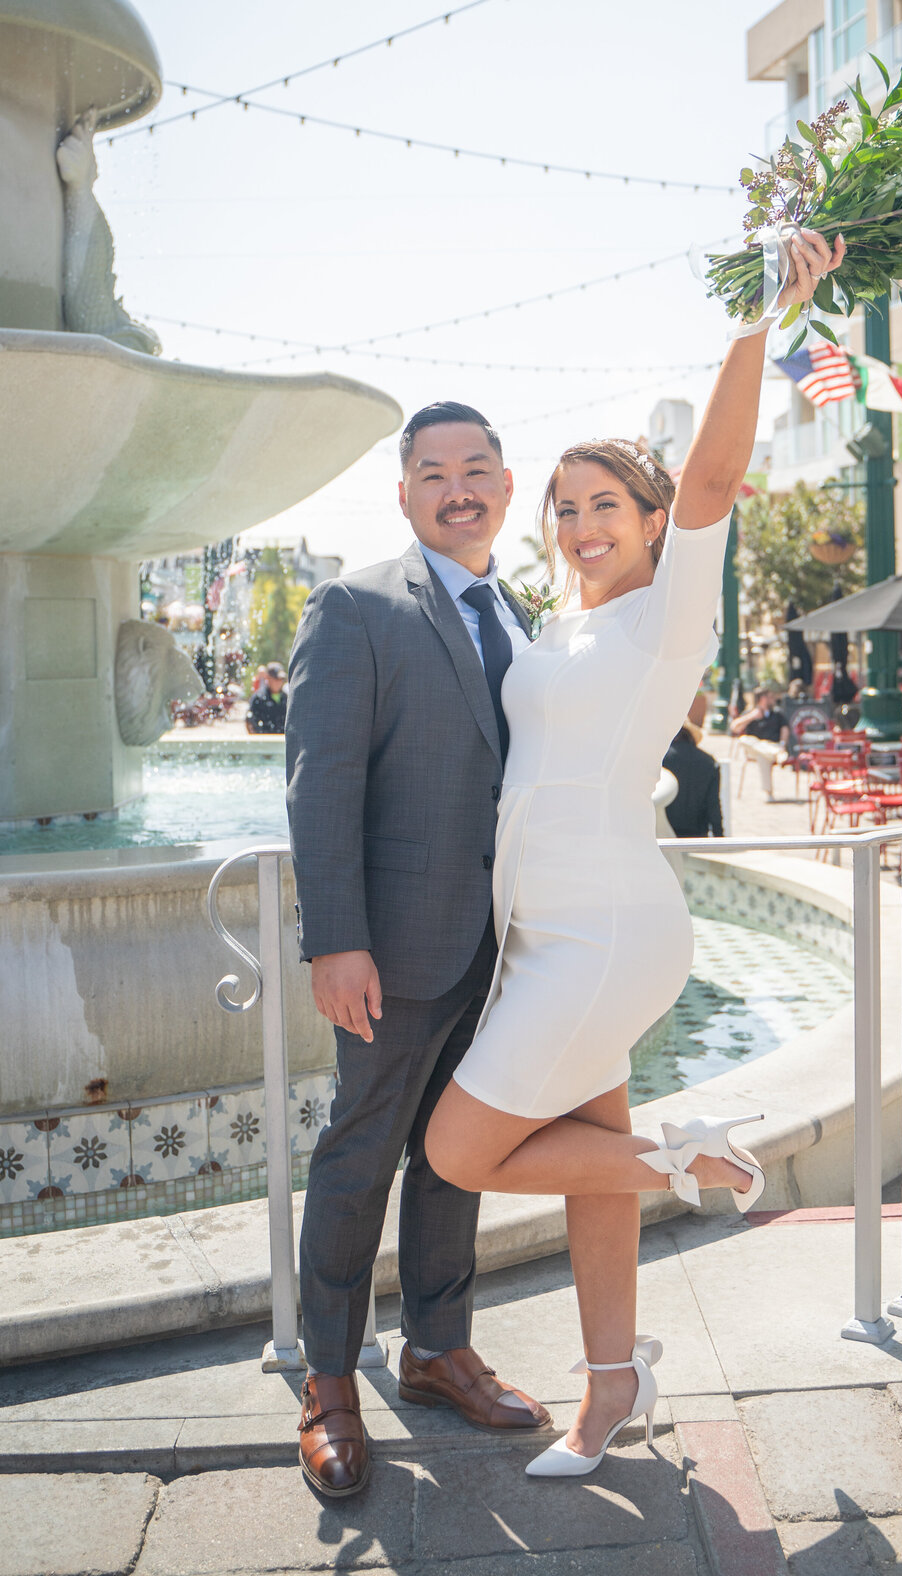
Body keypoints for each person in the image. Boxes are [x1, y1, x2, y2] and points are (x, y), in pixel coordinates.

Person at [422, 225, 845, 1480]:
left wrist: (757, 321)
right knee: (587, 1177)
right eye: (565, 508)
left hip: (607, 934)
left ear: (655, 520)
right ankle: (615, 1394)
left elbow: (715, 475)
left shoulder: (670, 616)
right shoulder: (559, 625)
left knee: (459, 1152)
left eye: (606, 503)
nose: (579, 521)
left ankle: (695, 1153)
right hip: (545, 934)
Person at [285, 400, 551, 1502]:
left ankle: (437, 1349)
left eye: (477, 468)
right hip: (392, 950)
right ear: (404, 494)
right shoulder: (355, 605)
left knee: (458, 1155)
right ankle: (330, 1379)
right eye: (434, 471)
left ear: (503, 483)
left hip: (507, 948)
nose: (458, 487)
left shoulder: (520, 609)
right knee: (359, 1156)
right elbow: (321, 782)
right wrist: (335, 941)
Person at [662, 721, 723, 839]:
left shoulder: (661, 760)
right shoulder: (709, 762)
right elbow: (713, 804)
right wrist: (719, 836)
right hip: (697, 834)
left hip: (664, 833)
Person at [730, 685, 789, 798]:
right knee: (744, 740)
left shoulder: (777, 714)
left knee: (762, 756)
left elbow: (785, 729)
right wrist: (751, 717)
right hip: (755, 747)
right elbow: (734, 727)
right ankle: (777, 753)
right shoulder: (750, 712)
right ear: (762, 698)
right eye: (770, 697)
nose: (773, 699)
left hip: (772, 746)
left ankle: (768, 793)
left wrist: (782, 745)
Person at [245, 662, 287, 734]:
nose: (279, 682)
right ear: (268, 678)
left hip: (282, 741)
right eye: (276, 679)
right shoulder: (258, 698)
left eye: (281, 679)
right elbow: (250, 722)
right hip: (264, 741)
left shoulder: (286, 698)